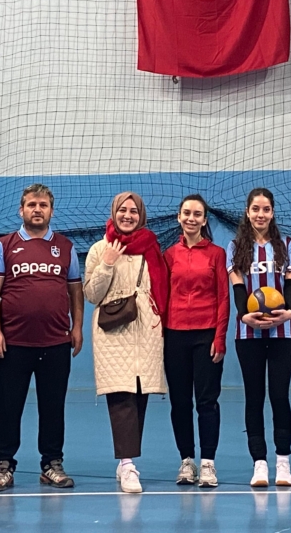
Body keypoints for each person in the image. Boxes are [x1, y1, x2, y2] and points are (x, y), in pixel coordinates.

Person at [0, 184, 83, 492]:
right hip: (15, 342)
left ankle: (51, 463)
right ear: (21, 210)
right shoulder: (3, 246)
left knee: (53, 406)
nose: (37, 209)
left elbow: (75, 291)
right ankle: (3, 464)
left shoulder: (65, 247)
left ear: (51, 211)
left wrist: (77, 328)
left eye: (43, 205)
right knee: (8, 406)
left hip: (56, 342)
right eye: (31, 205)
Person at [84, 191, 168, 494]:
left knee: (139, 395)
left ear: (141, 215)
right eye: (123, 210)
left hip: (146, 330)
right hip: (113, 332)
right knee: (121, 397)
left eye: (134, 211)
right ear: (114, 213)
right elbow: (92, 294)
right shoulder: (99, 249)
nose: (128, 216)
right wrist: (107, 264)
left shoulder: (152, 248)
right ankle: (127, 463)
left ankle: (126, 460)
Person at [228, 188, 291, 487]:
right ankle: (259, 463)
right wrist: (244, 315)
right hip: (249, 333)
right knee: (254, 397)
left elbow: (290, 284)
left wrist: (288, 312)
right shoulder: (235, 247)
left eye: (266, 209)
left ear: (272, 212)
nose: (261, 214)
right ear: (248, 212)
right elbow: (238, 286)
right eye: (255, 209)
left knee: (280, 395)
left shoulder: (286, 245)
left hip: (283, 332)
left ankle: (283, 462)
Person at [162, 194, 229, 488]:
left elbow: (224, 298)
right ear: (179, 217)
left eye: (197, 214)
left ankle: (208, 463)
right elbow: (161, 297)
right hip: (174, 336)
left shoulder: (217, 254)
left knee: (207, 401)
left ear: (204, 220)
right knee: (179, 402)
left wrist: (220, 337)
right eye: (186, 213)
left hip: (207, 336)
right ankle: (187, 461)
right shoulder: (169, 255)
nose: (191, 218)